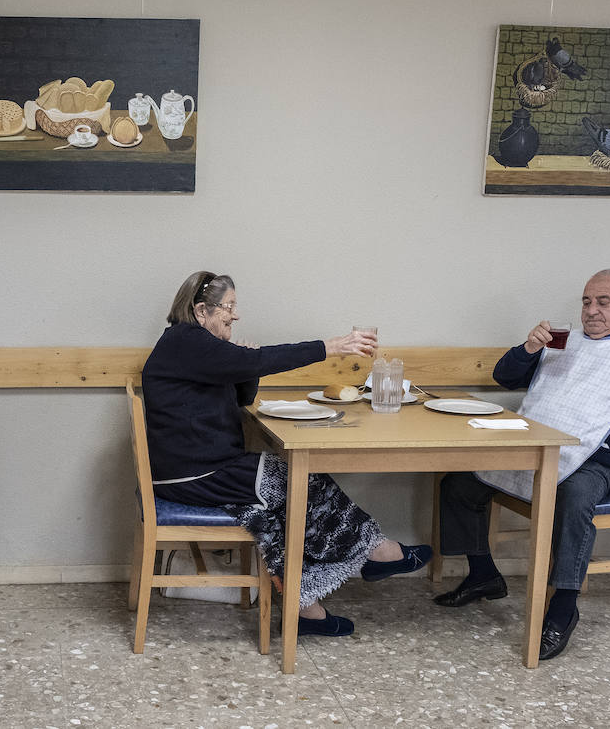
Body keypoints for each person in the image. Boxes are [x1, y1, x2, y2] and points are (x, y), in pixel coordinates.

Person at [434, 269, 610, 660]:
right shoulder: (563, 341)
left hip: (598, 461)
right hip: (537, 445)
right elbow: (505, 377)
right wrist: (529, 349)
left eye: (604, 302)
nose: (592, 311)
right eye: (587, 302)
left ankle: (563, 607)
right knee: (461, 481)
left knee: (574, 495)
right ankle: (484, 574)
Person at [141, 271, 432, 637]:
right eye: (228, 307)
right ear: (201, 310)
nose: (235, 315)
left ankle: (305, 610)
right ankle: (376, 551)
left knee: (268, 514)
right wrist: (330, 346)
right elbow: (261, 361)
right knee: (302, 481)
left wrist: (244, 362)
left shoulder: (190, 346)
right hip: (196, 474)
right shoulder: (187, 341)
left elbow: (241, 396)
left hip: (198, 469)